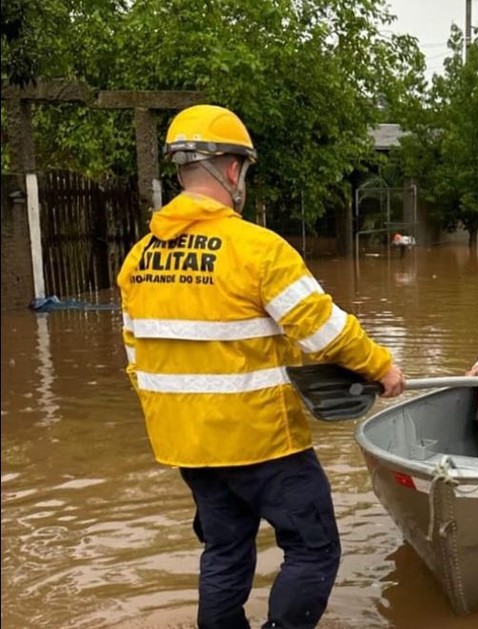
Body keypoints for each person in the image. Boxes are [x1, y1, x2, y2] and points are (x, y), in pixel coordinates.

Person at [117, 104, 406, 629]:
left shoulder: (139, 258)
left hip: (190, 446)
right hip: (263, 441)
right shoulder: (257, 250)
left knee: (225, 550)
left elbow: (136, 360)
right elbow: (324, 330)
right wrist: (382, 368)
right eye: (243, 171)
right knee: (314, 547)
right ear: (231, 169)